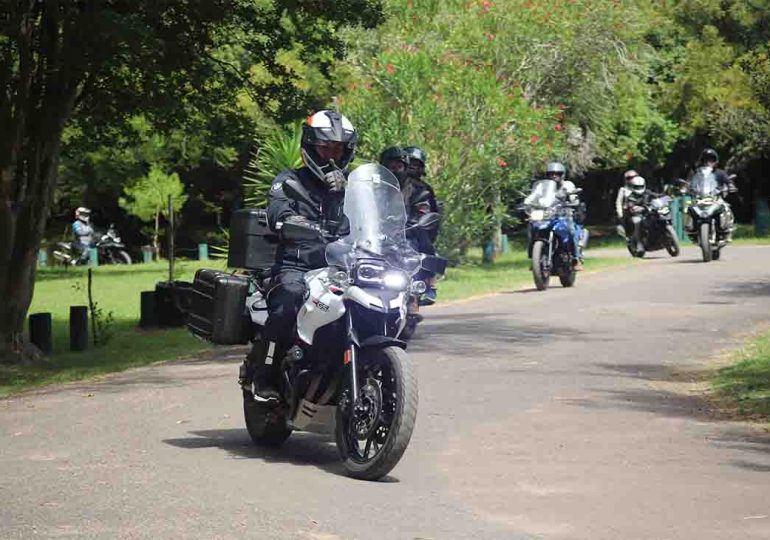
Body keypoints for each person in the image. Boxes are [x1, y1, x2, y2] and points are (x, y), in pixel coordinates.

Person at [248, 110, 357, 400]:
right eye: (326, 148)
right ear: (310, 147)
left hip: (341, 269)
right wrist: (291, 222)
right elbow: (277, 212)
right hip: (296, 267)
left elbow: (372, 219)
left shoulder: (354, 187)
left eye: (338, 149)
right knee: (288, 303)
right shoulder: (288, 181)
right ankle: (265, 376)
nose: (332, 156)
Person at [382, 146, 440, 304]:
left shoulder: (420, 190)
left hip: (408, 235)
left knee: (418, 244)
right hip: (378, 236)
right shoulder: (376, 188)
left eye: (399, 167)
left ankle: (423, 285)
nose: (395, 171)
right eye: (391, 167)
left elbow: (423, 212)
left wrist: (412, 225)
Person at [545, 161, 584, 270]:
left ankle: (576, 259)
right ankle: (537, 259)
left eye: (557, 173)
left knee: (571, 231)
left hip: (564, 214)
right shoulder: (545, 187)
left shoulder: (568, 185)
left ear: (562, 174)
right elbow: (537, 197)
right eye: (551, 174)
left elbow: (574, 197)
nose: (554, 176)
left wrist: (573, 201)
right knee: (535, 228)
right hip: (548, 215)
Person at [693, 148, 737, 240]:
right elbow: (692, 183)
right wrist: (686, 188)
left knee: (726, 208)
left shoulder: (720, 173)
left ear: (715, 161)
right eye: (706, 160)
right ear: (702, 161)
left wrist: (730, 185)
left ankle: (727, 228)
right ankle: (693, 230)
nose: (708, 162)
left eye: (711, 159)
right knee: (690, 208)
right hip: (701, 199)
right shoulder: (698, 173)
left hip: (716, 198)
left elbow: (728, 181)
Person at [615, 170, 638, 238]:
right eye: (629, 178)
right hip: (629, 211)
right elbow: (618, 202)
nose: (632, 179)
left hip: (641, 209)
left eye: (634, 177)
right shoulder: (623, 189)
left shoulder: (641, 186)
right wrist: (620, 213)